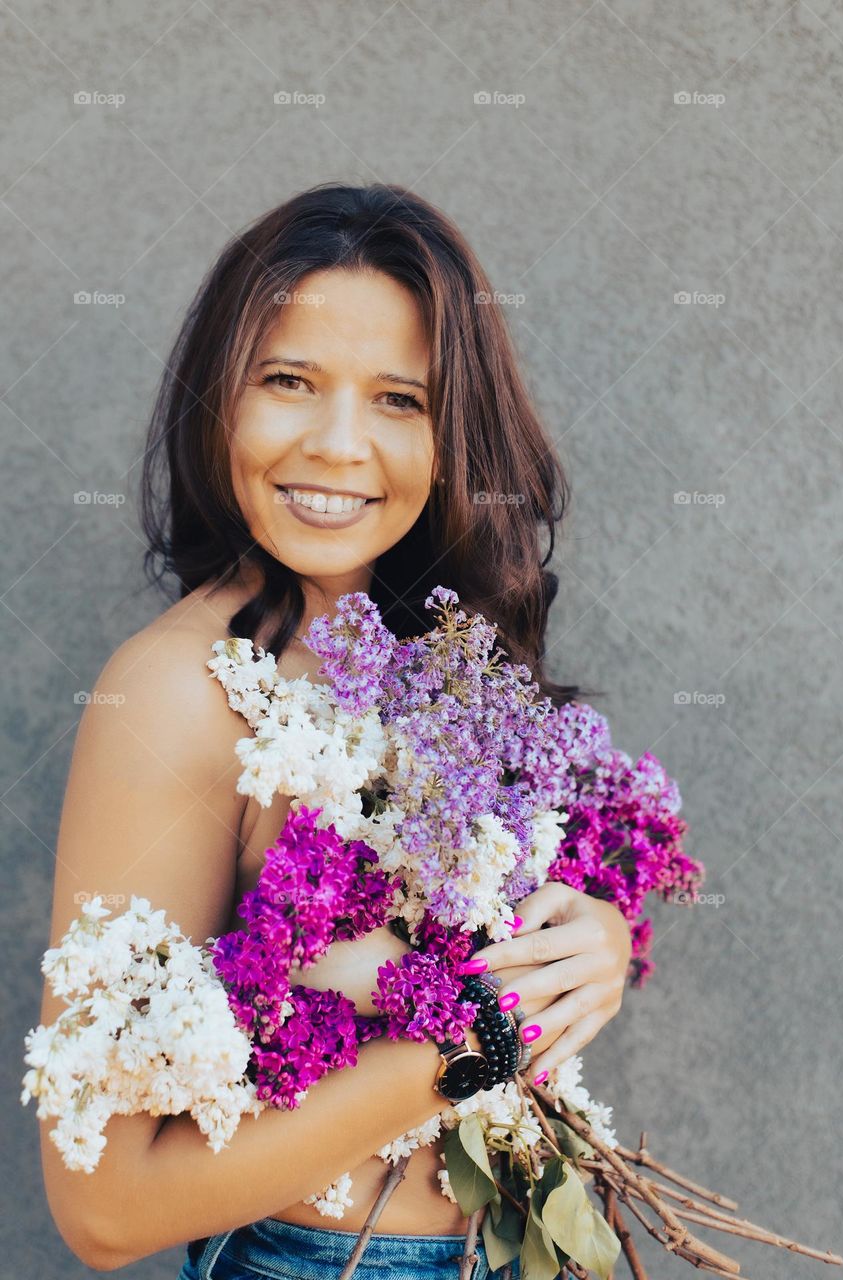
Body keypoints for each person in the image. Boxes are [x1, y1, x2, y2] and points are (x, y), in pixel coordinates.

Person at [37, 182, 632, 1279]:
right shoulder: (177, 693)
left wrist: (587, 943)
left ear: (454, 434)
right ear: (219, 397)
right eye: (289, 382)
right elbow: (104, 1206)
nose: (338, 443)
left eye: (399, 399)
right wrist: (459, 1057)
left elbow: (490, 952)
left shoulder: (435, 654)